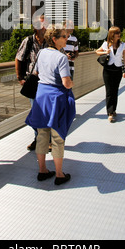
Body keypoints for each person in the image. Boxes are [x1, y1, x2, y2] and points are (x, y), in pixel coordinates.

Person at [25, 26, 75, 186]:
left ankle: (42, 170)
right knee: (57, 138)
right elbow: (66, 83)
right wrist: (72, 82)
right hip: (56, 99)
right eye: (64, 36)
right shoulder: (62, 58)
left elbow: (37, 73)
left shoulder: (41, 53)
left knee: (41, 135)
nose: (66, 39)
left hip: (41, 97)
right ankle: (59, 174)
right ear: (55, 39)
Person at [15, 15, 48, 150]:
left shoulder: (50, 42)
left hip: (47, 82)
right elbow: (18, 58)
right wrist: (20, 77)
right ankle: (38, 139)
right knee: (35, 112)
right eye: (42, 24)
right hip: (33, 82)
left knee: (46, 112)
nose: (44, 26)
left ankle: (44, 140)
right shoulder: (28, 41)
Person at [96, 26, 125, 122]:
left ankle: (113, 109)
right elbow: (97, 51)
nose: (119, 35)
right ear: (112, 35)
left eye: (119, 33)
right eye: (116, 33)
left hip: (117, 70)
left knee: (115, 91)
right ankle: (110, 112)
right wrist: (105, 51)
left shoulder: (123, 45)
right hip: (108, 70)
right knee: (109, 91)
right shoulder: (106, 44)